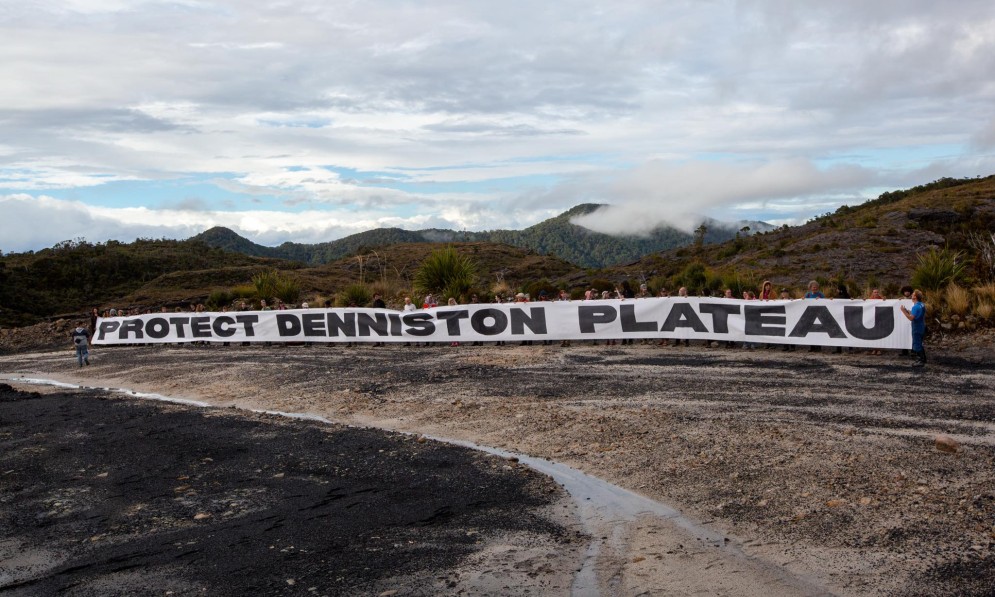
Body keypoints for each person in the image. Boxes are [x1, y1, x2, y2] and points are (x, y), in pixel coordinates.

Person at [900, 290, 927, 367]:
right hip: (922, 325)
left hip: (917, 326)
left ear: (915, 297)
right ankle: (923, 358)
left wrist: (903, 312)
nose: (911, 295)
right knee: (920, 343)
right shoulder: (921, 304)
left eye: (913, 294)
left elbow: (911, 318)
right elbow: (916, 314)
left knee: (917, 343)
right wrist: (908, 311)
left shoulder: (915, 306)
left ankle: (920, 360)